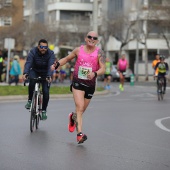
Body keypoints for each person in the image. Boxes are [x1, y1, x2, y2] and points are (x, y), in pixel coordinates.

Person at [51, 31, 105, 144]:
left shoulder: (99, 53)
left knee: (81, 111)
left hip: (90, 85)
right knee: (80, 107)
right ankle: (79, 135)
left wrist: (95, 74)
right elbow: (66, 59)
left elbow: (103, 68)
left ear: (97, 41)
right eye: (89, 37)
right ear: (86, 38)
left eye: (94, 38)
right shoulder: (78, 50)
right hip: (77, 83)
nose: (92, 39)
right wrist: (56, 65)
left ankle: (73, 117)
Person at [22, 39, 55, 120]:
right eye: (41, 47)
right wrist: (25, 73)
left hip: (45, 73)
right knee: (32, 81)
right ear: (38, 47)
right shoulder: (33, 52)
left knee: (46, 92)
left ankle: (43, 111)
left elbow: (50, 65)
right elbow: (28, 62)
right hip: (35, 70)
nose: (43, 48)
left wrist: (49, 75)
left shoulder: (51, 53)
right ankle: (30, 101)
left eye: (45, 47)